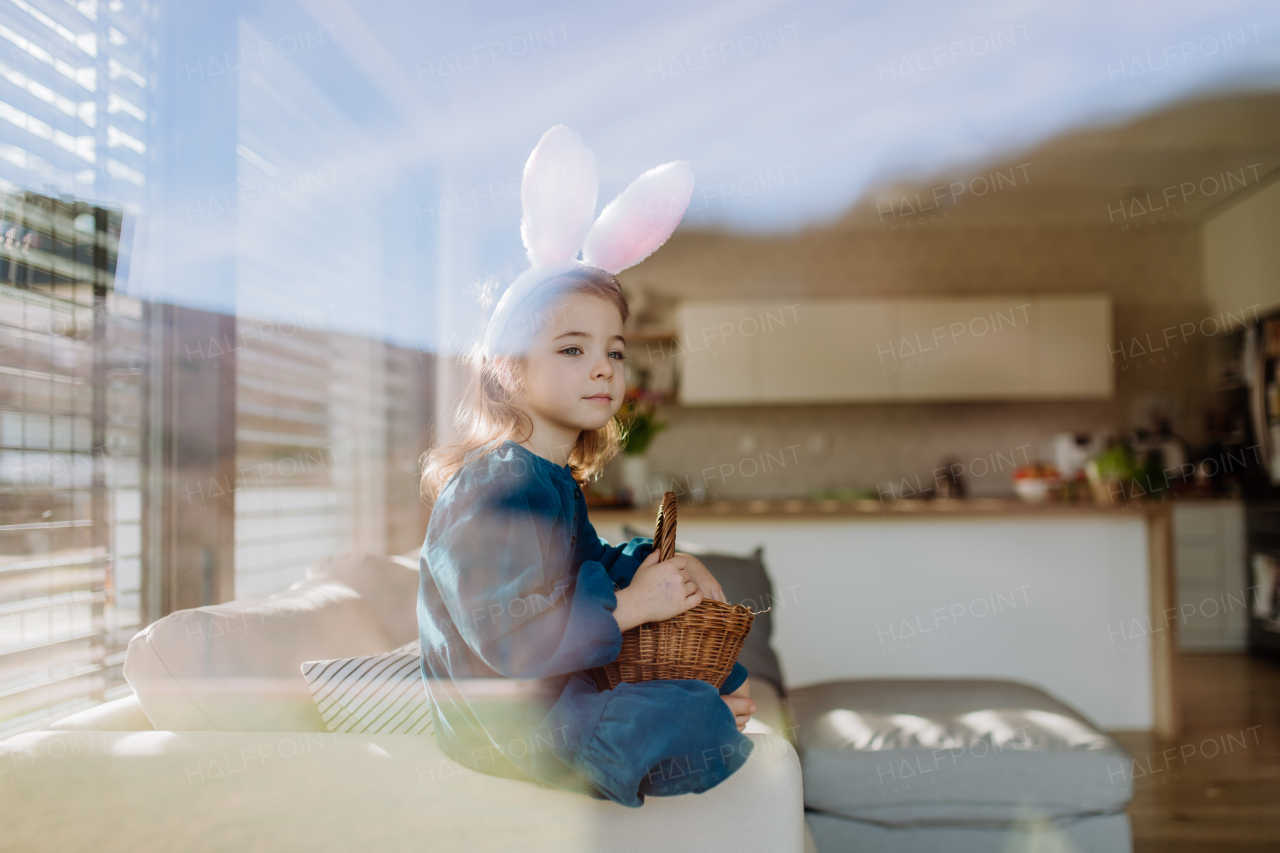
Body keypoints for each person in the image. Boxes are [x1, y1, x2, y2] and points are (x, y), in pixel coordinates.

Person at [416, 126, 755, 807]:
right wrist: (633, 603)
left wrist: (659, 568)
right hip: (508, 725)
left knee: (700, 691)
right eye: (572, 349)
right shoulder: (495, 484)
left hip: (552, 696)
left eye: (615, 349)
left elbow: (583, 565)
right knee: (690, 717)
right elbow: (512, 638)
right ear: (509, 369)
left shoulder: (549, 479)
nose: (604, 365)